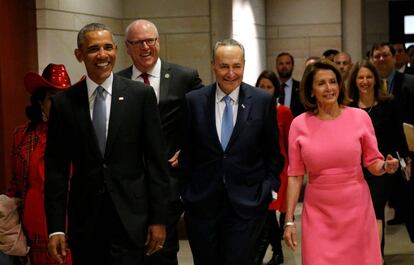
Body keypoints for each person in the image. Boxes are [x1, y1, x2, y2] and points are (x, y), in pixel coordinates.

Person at [44, 23, 170, 265]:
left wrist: (158, 219)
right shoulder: (64, 103)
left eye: (107, 47)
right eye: (93, 49)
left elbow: (156, 162)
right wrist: (56, 228)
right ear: (79, 55)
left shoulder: (140, 96)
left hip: (132, 220)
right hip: (85, 222)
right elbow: (56, 171)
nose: (102, 55)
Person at [283, 60, 399, 265]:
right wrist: (289, 220)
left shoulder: (360, 117)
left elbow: (373, 161)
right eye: (321, 83)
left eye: (333, 81)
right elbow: (295, 175)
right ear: (311, 90)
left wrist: (385, 166)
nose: (329, 88)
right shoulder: (298, 125)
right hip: (318, 214)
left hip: (357, 210)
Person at [179, 39, 284, 265]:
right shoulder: (193, 101)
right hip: (202, 207)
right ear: (213, 66)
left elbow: (273, 155)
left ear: (244, 65)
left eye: (236, 66)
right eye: (224, 66)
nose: (230, 73)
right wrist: (187, 193)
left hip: (247, 206)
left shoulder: (262, 101)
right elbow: (187, 155)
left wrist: (267, 190)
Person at [117, 19, 202, 265]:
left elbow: (206, 117)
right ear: (127, 47)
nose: (145, 47)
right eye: (137, 42)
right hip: (128, 188)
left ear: (158, 42)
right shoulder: (118, 81)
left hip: (167, 184)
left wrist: (189, 148)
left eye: (150, 40)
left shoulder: (184, 77)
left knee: (163, 251)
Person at [6, 63, 73, 265]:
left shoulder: (80, 133)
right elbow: (16, 184)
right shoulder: (22, 135)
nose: (60, 104)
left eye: (66, 97)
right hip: (33, 229)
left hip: (72, 227)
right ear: (40, 103)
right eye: (53, 99)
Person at [347, 60, 411, 256]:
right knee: (358, 213)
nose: (365, 81)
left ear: (375, 79)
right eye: (360, 77)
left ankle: (377, 255)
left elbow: (399, 137)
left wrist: (405, 162)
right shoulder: (348, 106)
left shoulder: (388, 103)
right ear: (354, 81)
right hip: (355, 169)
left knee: (375, 208)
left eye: (368, 76)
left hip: (382, 166)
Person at [370, 42, 414, 226]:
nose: (381, 59)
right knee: (378, 205)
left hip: (406, 152)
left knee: (410, 199)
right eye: (377, 56)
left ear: (394, 57)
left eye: (385, 55)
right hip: (379, 156)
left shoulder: (410, 82)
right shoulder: (368, 85)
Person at [253, 70, 293, 265]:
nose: (265, 90)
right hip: (259, 169)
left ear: (276, 89)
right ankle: (277, 252)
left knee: (269, 211)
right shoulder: (251, 110)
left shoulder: (283, 111)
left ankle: (260, 255)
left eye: (269, 87)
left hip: (280, 169)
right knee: (264, 212)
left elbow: (289, 142)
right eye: (262, 86)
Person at [275, 52, 305, 117]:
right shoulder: (271, 87)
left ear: (293, 66)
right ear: (276, 66)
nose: (284, 66)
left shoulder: (301, 87)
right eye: (281, 63)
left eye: (287, 63)